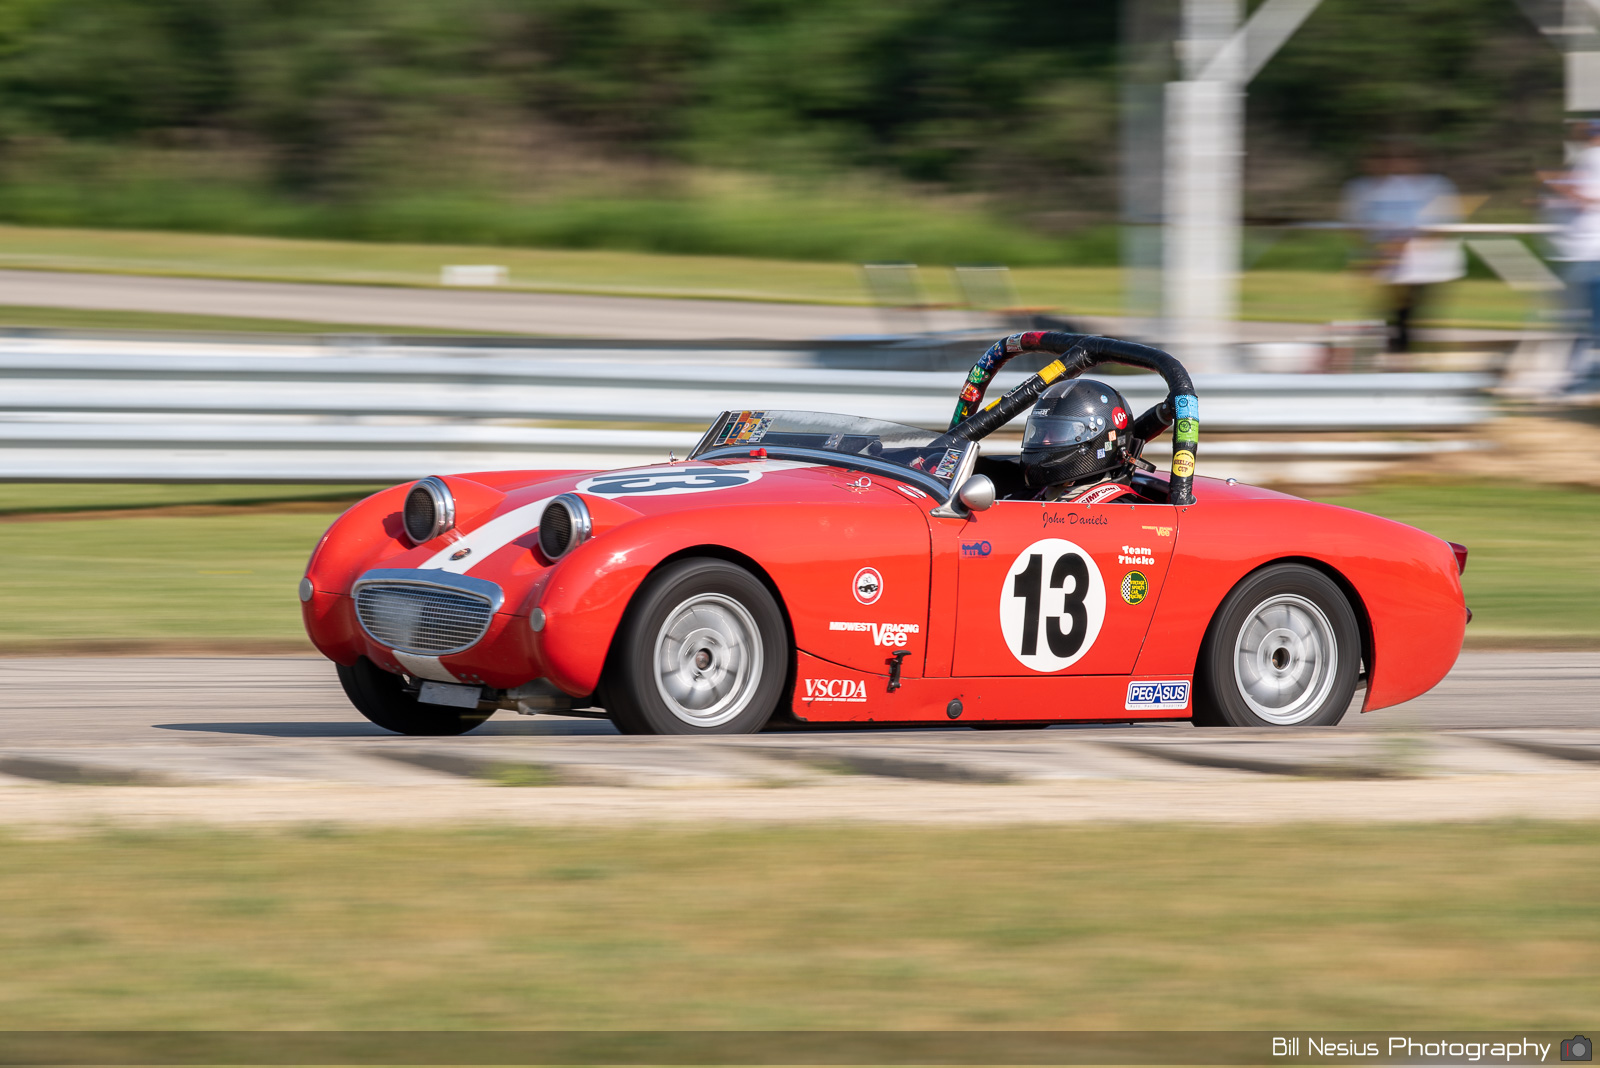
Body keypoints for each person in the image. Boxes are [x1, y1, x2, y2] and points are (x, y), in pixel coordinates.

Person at [1342, 146, 1465, 353]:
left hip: (1424, 262)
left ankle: (1402, 354)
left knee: (1407, 313)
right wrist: (1373, 254)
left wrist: (1401, 248)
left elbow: (1440, 226)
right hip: (1388, 261)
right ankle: (1395, 353)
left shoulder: (1435, 185)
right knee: (1394, 313)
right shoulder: (1373, 187)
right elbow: (1360, 225)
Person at [1017, 380, 1144, 503]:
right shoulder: (1040, 494)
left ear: (1093, 436)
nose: (1044, 440)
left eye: (1056, 432)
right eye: (1040, 432)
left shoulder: (1117, 510)